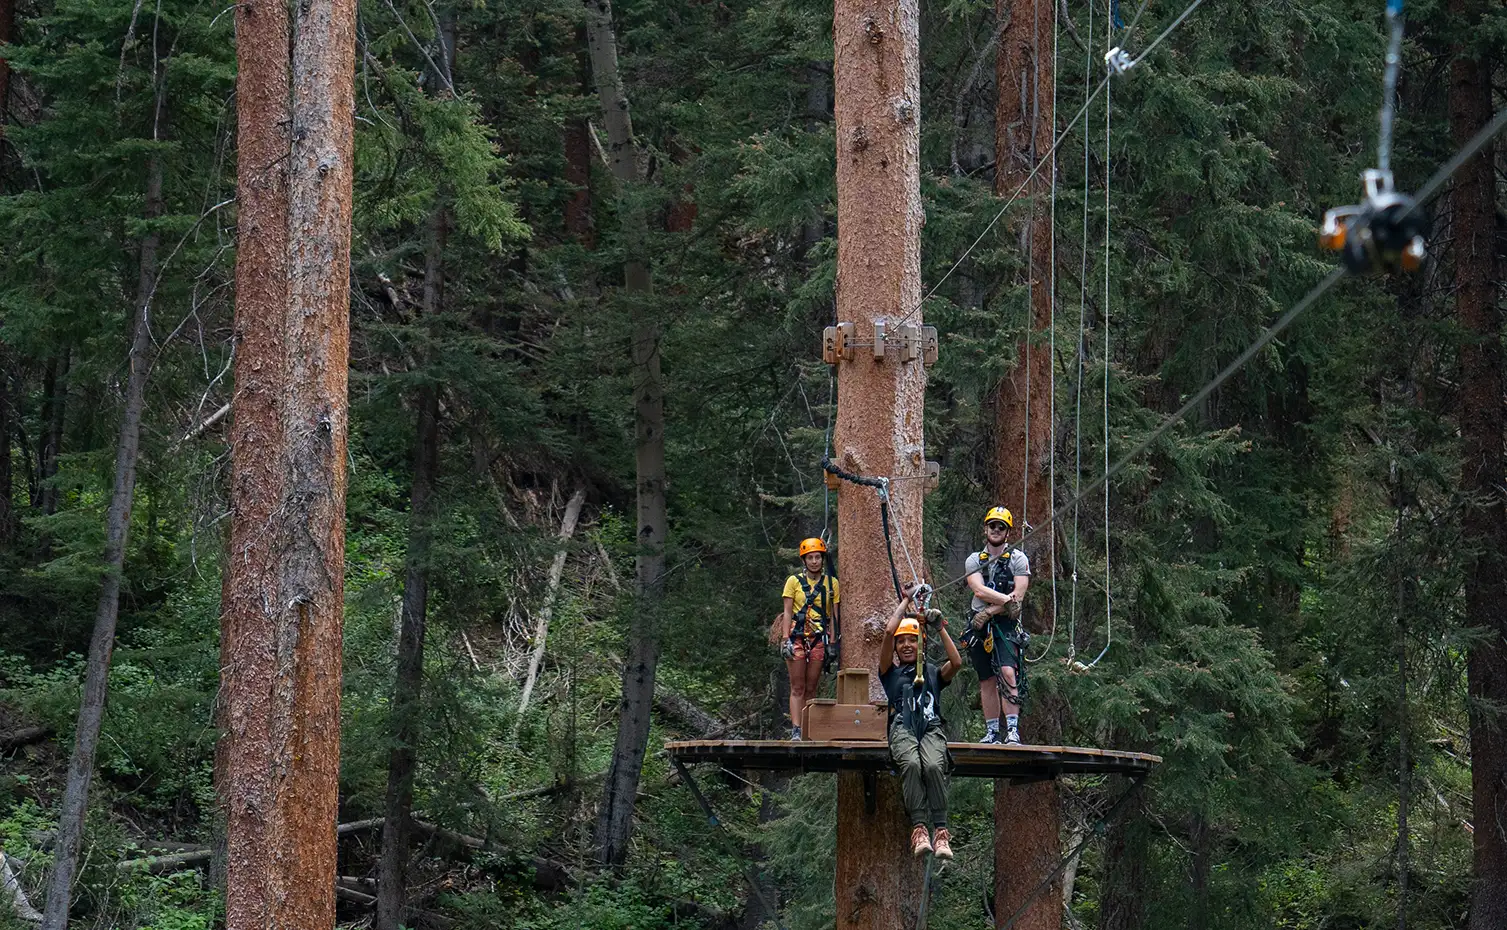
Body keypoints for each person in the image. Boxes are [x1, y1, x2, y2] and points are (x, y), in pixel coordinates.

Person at [880, 584, 963, 859]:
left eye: (912, 640)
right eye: (902, 642)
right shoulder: (890, 673)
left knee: (932, 765)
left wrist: (939, 627)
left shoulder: (932, 672)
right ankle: (919, 828)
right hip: (903, 727)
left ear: (920, 643)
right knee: (913, 764)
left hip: (930, 728)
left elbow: (957, 662)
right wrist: (905, 602)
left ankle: (940, 831)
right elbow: (889, 632)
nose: (906, 645)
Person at [962, 506, 1031, 745]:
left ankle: (1012, 730)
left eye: (1001, 527)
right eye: (992, 525)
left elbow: (1019, 596)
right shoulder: (974, 560)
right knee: (986, 678)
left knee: (1007, 671)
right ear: (986, 529)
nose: (996, 530)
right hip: (980, 625)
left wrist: (994, 609)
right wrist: (1006, 601)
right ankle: (992, 731)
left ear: (1007, 532)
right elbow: (979, 589)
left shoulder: (1018, 559)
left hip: (1005, 624)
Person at [779, 537, 839, 741]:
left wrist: (833, 643)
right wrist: (785, 638)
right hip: (796, 637)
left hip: (818, 639)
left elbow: (834, 616)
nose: (814, 561)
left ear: (823, 559)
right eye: (810, 558)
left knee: (811, 686)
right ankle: (796, 729)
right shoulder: (793, 582)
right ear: (804, 561)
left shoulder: (832, 584)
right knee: (797, 686)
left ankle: (807, 728)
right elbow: (787, 612)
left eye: (818, 557)